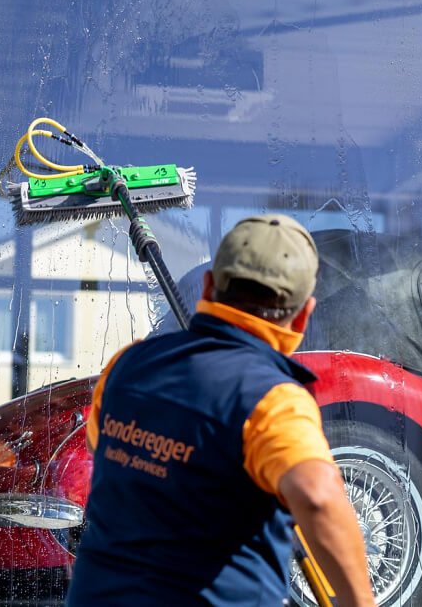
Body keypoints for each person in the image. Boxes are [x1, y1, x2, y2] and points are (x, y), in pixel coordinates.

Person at [67, 214, 375, 607]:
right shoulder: (273, 399)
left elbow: (107, 453)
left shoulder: (125, 366)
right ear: (302, 315)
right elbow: (316, 496)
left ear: (209, 287)